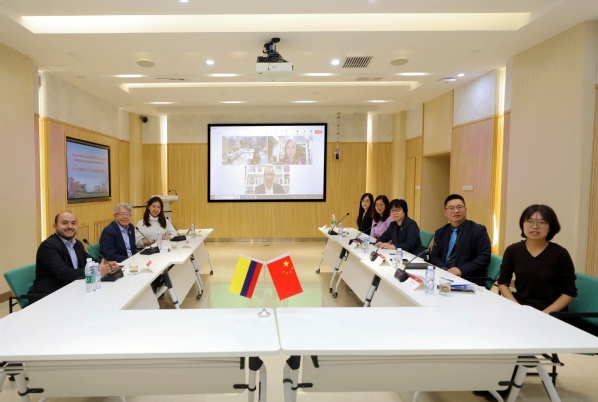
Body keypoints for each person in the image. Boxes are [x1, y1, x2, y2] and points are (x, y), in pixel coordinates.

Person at [497, 204, 577, 313]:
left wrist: (544, 314)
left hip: (550, 312)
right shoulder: (513, 250)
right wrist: (517, 308)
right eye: (530, 221)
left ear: (551, 226)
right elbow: (503, 283)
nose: (535, 226)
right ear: (522, 224)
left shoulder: (560, 254)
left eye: (542, 222)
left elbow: (570, 292)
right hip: (521, 307)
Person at [28, 211, 115, 298]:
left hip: (72, 289)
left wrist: (107, 264)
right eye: (64, 223)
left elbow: (90, 260)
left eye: (73, 223)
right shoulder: (48, 246)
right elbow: (63, 273)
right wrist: (97, 271)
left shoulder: (77, 244)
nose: (70, 226)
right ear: (55, 226)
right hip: (50, 295)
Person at [429, 194, 491, 279]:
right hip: (443, 274)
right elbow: (434, 256)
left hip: (467, 277)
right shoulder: (441, 232)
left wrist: (461, 270)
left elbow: (484, 258)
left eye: (459, 207)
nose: (456, 211)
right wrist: (444, 269)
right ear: (445, 212)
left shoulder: (478, 230)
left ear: (465, 210)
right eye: (451, 208)